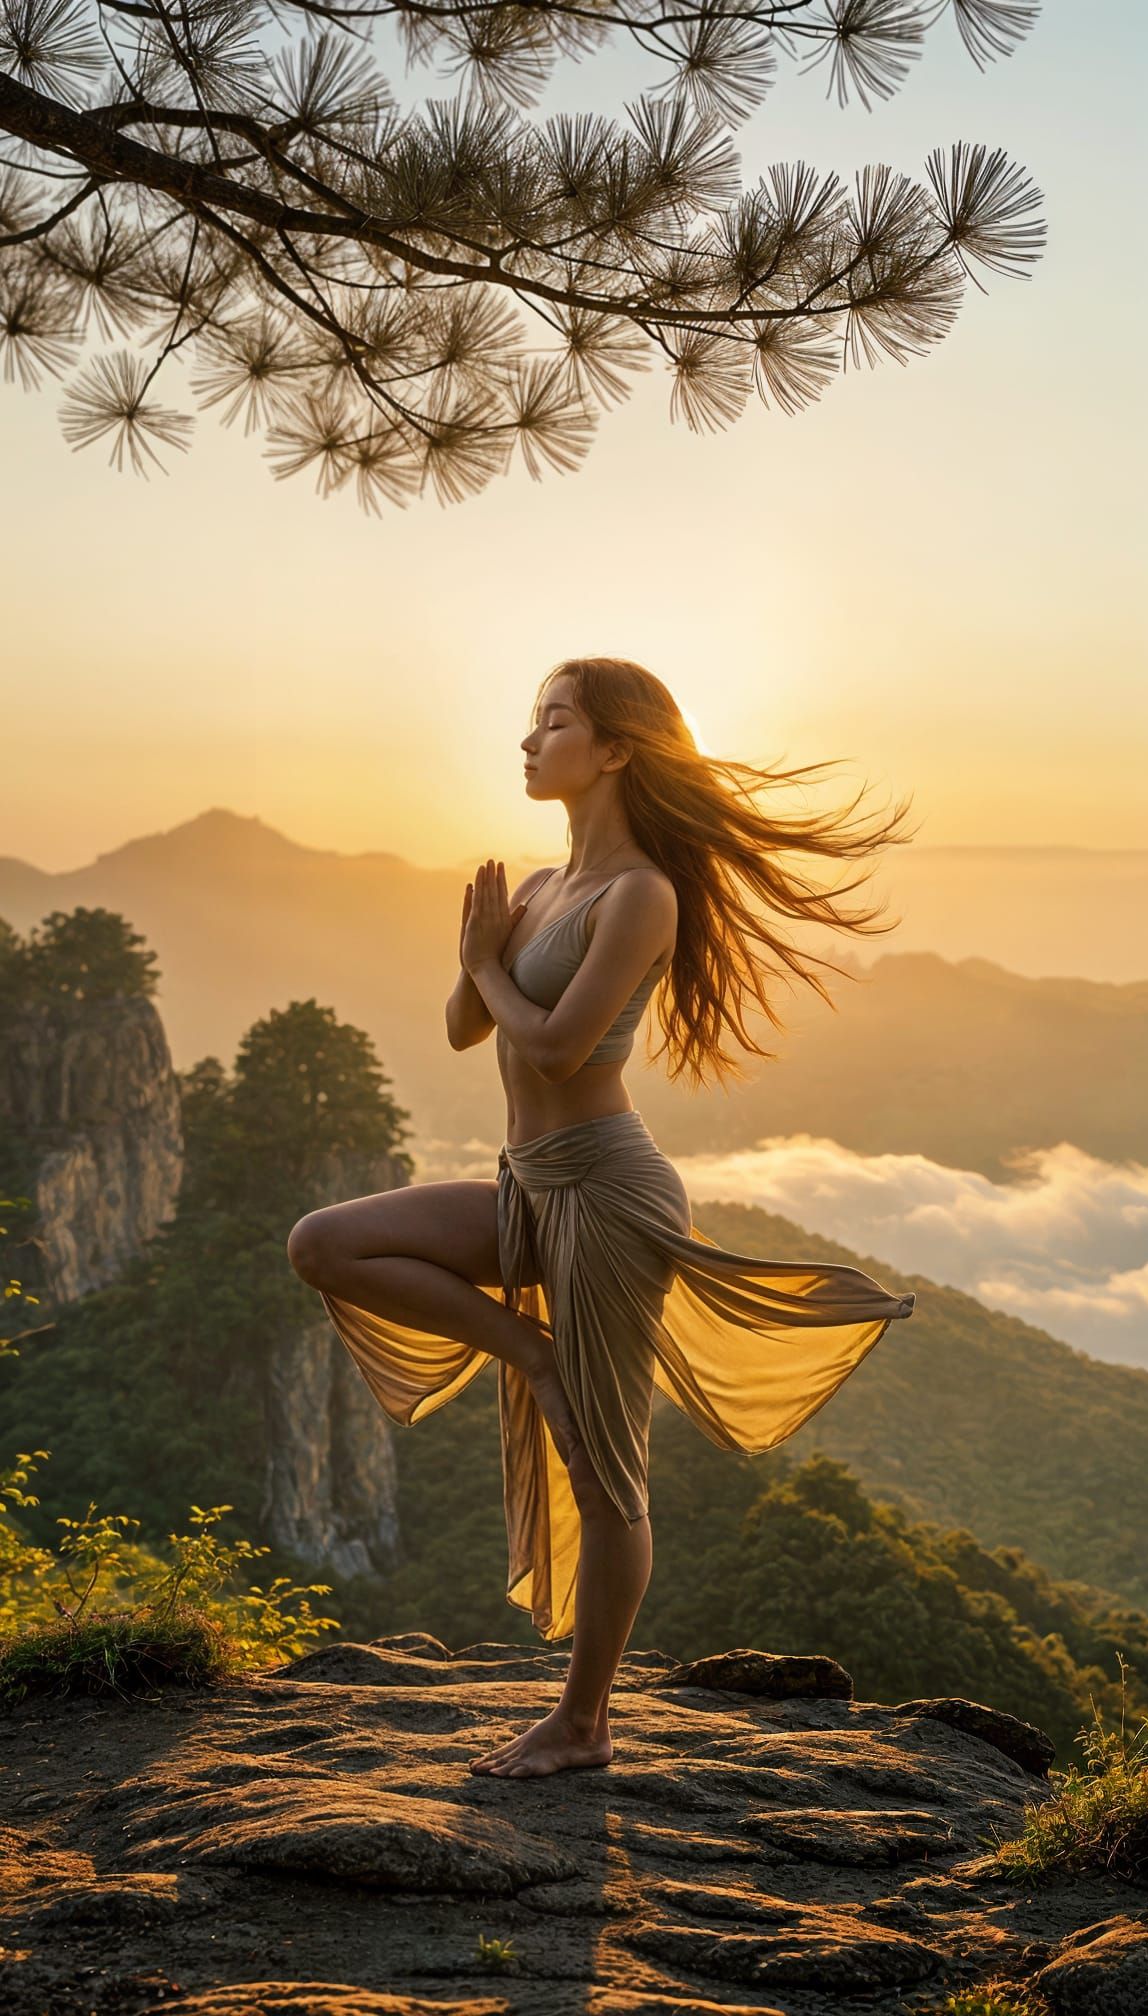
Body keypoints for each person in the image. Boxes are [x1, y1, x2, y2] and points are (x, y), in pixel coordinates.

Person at [286, 656, 917, 1779]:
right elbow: (460, 1031)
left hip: (608, 1194)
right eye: (533, 722)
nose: (528, 742)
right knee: (324, 1243)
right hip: (527, 1181)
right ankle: (530, 1352)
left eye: (553, 722)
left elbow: (561, 1045)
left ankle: (583, 1723)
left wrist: (487, 963)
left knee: (607, 1472)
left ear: (617, 750)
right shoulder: (537, 884)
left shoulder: (642, 895)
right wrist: (475, 953)